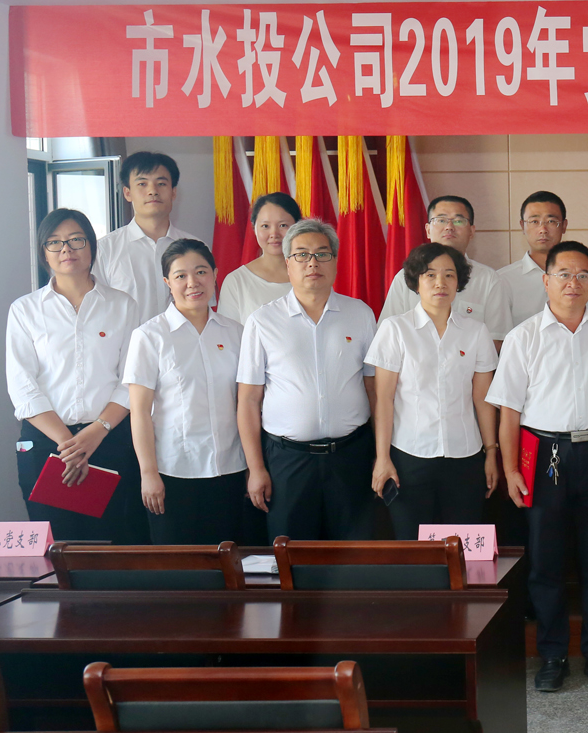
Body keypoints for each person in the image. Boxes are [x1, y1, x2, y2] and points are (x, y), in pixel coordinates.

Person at [488, 240, 588, 693]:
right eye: (564, 274)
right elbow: (508, 411)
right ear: (546, 280)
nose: (574, 283)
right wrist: (511, 469)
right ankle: (552, 654)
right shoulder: (524, 337)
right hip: (545, 456)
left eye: (582, 275)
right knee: (546, 560)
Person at [6, 208, 145, 543]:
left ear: (91, 247)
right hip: (47, 445)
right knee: (57, 547)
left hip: (108, 440)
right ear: (44, 253)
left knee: (112, 543)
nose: (66, 249)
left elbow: (131, 380)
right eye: (54, 242)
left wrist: (95, 433)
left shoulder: (122, 305)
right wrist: (69, 445)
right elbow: (23, 387)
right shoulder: (25, 310)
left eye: (76, 240)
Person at [236, 219, 378, 541]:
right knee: (293, 555)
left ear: (335, 261)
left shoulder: (361, 314)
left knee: (355, 556)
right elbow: (248, 401)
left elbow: (374, 389)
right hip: (288, 462)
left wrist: (380, 454)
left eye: (322, 254)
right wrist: (256, 468)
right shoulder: (262, 321)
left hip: (350, 456)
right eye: (301, 255)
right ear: (288, 264)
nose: (312, 263)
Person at [367, 242, 500, 540]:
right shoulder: (395, 329)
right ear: (416, 282)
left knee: (464, 547)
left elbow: (482, 400)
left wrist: (491, 453)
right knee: (413, 548)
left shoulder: (476, 331)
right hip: (409, 456)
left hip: (465, 456)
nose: (440, 282)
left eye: (449, 275)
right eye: (430, 275)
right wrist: (382, 457)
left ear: (459, 281)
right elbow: (384, 400)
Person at [124, 238, 246, 545]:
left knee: (230, 562)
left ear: (215, 274)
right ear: (168, 282)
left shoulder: (236, 333)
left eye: (201, 272)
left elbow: (246, 404)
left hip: (230, 470)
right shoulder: (149, 336)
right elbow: (139, 413)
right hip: (173, 474)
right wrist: (148, 473)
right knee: (180, 566)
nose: (193, 283)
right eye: (181, 276)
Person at [380, 194, 515, 348]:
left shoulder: (488, 279)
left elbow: (497, 340)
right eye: (441, 220)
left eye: (458, 221)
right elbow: (387, 336)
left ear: (471, 231)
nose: (449, 227)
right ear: (428, 230)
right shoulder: (406, 277)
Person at [95, 151, 198, 323]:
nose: (152, 191)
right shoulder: (105, 250)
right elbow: (96, 310)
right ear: (127, 193)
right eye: (142, 184)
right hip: (128, 341)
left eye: (161, 184)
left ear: (173, 192)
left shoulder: (195, 248)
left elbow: (203, 307)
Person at [217, 192, 301, 325]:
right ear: (254, 228)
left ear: (297, 227)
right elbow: (229, 334)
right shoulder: (237, 281)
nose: (274, 234)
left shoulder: (311, 273)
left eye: (283, 225)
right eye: (265, 226)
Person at [498, 191, 568, 327]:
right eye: (534, 221)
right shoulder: (503, 281)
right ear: (522, 226)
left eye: (551, 221)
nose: (543, 229)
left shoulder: (580, 277)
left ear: (564, 225)